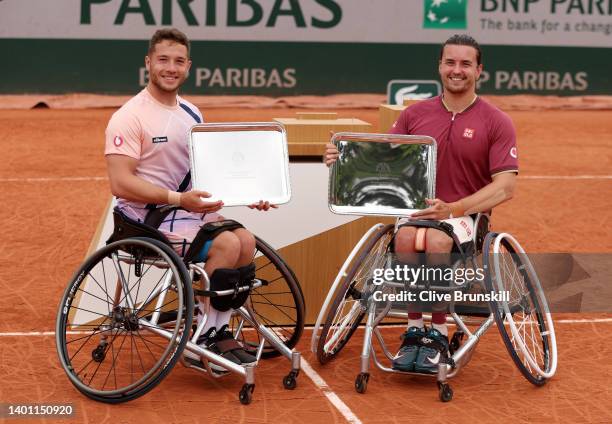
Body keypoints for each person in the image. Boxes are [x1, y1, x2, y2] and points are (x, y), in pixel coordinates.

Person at [324, 34, 518, 373]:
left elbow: (506, 187)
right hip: (415, 212)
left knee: (435, 240)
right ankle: (415, 330)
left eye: (465, 64)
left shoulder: (496, 121)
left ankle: (438, 334)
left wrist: (454, 208)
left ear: (479, 70)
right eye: (450, 62)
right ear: (440, 66)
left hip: (464, 217)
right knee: (406, 239)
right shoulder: (415, 114)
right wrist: (341, 159)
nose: (457, 70)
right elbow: (382, 160)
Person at [105, 28, 274, 369]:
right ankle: (203, 338)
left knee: (244, 239)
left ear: (188, 66)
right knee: (227, 244)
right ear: (148, 62)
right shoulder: (129, 116)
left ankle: (216, 331)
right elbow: (120, 183)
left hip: (183, 212)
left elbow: (205, 174)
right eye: (163, 60)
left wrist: (248, 194)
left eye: (179, 61)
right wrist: (179, 199)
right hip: (142, 219)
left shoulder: (193, 114)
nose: (171, 68)